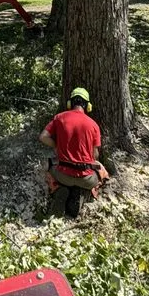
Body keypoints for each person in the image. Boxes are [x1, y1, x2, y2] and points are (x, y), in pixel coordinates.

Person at [40, 87, 105, 218]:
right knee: (102, 170)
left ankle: (58, 189)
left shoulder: (59, 118)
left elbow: (43, 137)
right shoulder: (94, 125)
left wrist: (57, 146)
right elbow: (95, 155)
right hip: (86, 179)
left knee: (47, 165)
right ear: (88, 106)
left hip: (62, 176)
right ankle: (82, 193)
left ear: (70, 103)